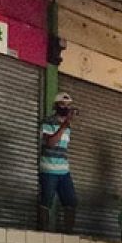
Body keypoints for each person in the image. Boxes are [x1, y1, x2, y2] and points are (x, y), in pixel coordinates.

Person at [39, 92, 77, 233]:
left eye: (68, 105)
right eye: (62, 104)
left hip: (63, 170)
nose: (66, 108)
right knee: (46, 201)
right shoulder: (48, 122)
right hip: (49, 169)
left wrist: (66, 125)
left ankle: (69, 235)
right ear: (55, 106)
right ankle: (43, 233)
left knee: (71, 201)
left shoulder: (68, 127)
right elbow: (50, 143)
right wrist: (63, 126)